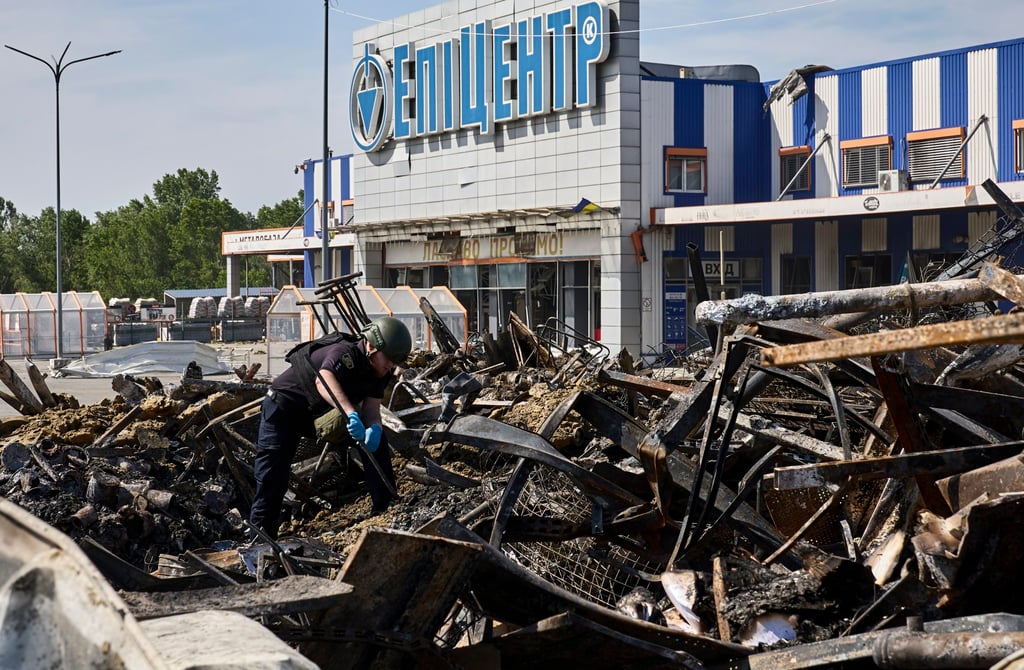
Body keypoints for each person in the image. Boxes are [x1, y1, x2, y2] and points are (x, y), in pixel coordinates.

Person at [248, 316, 412, 540]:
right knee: (272, 475)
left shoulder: (380, 372)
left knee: (377, 441)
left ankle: (385, 506)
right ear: (372, 346)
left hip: (314, 413)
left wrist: (374, 427)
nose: (391, 365)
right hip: (283, 408)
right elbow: (324, 379)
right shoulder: (343, 353)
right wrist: (351, 413)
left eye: (395, 361)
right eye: (389, 359)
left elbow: (372, 409)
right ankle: (261, 537)